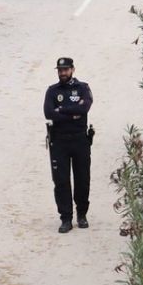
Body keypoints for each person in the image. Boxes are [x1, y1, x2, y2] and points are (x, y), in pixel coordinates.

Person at [43, 55, 93, 233]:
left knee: (82, 179)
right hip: (59, 141)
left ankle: (82, 215)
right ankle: (66, 218)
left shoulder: (83, 88)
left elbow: (84, 107)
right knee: (61, 181)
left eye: (65, 70)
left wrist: (62, 110)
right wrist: (72, 113)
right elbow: (49, 113)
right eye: (60, 70)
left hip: (80, 139)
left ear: (72, 69)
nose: (62, 73)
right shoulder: (52, 91)